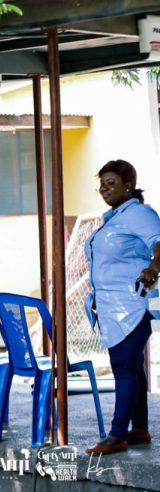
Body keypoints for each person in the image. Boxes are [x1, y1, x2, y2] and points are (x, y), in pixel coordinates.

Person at [84, 159, 160, 455]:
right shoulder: (115, 217)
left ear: (128, 186)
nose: (104, 188)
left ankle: (116, 435)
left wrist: (154, 267)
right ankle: (139, 428)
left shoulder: (139, 213)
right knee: (134, 368)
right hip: (112, 306)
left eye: (111, 183)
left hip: (130, 304)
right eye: (102, 183)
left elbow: (159, 241)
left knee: (124, 368)